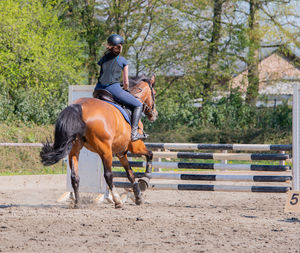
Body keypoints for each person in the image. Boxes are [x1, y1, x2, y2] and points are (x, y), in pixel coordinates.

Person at [94, 34, 147, 141]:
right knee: (138, 105)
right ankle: (134, 133)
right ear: (120, 47)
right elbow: (126, 82)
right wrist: (126, 89)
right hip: (113, 89)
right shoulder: (122, 60)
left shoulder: (103, 59)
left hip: (98, 90)